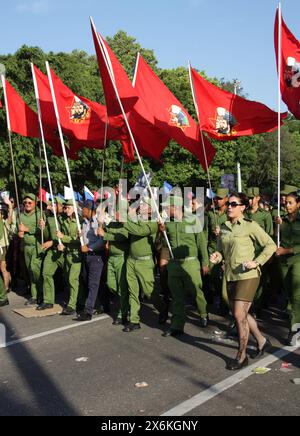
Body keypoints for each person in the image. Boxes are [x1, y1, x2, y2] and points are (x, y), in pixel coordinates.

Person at [210, 193, 276, 371]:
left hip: (248, 276)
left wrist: (257, 262)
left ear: (242, 207)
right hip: (231, 275)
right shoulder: (223, 227)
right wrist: (217, 256)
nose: (229, 206)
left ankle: (241, 355)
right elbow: (220, 250)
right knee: (242, 314)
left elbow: (270, 245)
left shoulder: (250, 226)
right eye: (229, 204)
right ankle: (262, 341)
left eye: (233, 204)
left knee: (239, 315)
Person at [160, 196, 210, 337]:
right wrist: (162, 232)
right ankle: (177, 326)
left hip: (190, 263)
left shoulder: (193, 220)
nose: (164, 209)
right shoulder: (167, 224)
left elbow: (201, 244)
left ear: (175, 207)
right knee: (177, 297)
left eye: (166, 207)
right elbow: (165, 245)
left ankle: (203, 313)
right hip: (174, 264)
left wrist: (205, 263)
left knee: (196, 291)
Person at [122, 198, 161, 333]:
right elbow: (130, 229)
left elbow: (139, 231)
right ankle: (134, 320)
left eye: (145, 205)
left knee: (149, 291)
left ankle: (162, 307)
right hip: (132, 260)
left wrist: (126, 220)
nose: (141, 206)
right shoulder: (135, 219)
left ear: (151, 209)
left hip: (145, 262)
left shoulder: (153, 223)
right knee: (133, 291)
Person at [275, 192, 300, 345]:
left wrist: (288, 251)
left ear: (298, 204)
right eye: (286, 203)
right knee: (289, 294)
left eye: (291, 203)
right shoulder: (281, 220)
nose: (287, 205)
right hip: (283, 262)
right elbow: (277, 239)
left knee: (297, 294)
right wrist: (278, 227)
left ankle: (295, 328)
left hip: (298, 260)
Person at [77, 201, 106, 321]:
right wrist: (79, 236)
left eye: (83, 208)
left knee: (93, 284)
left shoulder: (99, 222)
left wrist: (89, 248)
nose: (81, 210)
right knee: (89, 281)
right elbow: (84, 238)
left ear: (89, 210)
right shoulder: (84, 222)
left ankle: (88, 312)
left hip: (96, 256)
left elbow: (102, 241)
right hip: (86, 257)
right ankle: (105, 304)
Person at [37, 197, 65, 311]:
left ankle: (79, 301)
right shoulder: (49, 218)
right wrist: (43, 228)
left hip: (65, 251)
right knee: (46, 273)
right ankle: (48, 300)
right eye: (50, 204)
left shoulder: (65, 218)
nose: (50, 206)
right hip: (52, 251)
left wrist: (53, 241)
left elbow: (68, 235)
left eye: (54, 204)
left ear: (60, 206)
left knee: (71, 277)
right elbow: (48, 235)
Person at [17, 194, 45, 305]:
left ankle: (42, 293)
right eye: (25, 203)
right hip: (26, 247)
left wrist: (27, 229)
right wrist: (19, 233)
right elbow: (17, 230)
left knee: (35, 269)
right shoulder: (21, 215)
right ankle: (34, 296)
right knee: (30, 272)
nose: (27, 205)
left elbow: (42, 230)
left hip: (37, 246)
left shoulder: (40, 214)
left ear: (35, 203)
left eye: (30, 202)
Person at [57, 200, 83, 316]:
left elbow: (79, 240)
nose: (66, 209)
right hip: (67, 254)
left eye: (68, 207)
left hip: (77, 254)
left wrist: (64, 238)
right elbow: (61, 236)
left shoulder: (80, 222)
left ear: (75, 208)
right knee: (71, 280)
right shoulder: (64, 221)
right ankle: (80, 301)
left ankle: (72, 305)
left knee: (73, 279)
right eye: (65, 207)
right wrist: (61, 243)